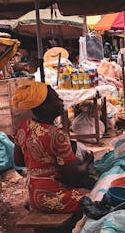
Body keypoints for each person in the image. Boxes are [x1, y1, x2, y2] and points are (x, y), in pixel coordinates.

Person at [13, 81, 94, 213]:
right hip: (54, 197)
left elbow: (19, 161)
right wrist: (87, 162)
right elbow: (72, 176)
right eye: (56, 98)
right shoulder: (57, 135)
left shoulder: (23, 127)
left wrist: (43, 164)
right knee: (97, 193)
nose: (61, 101)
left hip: (35, 193)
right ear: (45, 107)